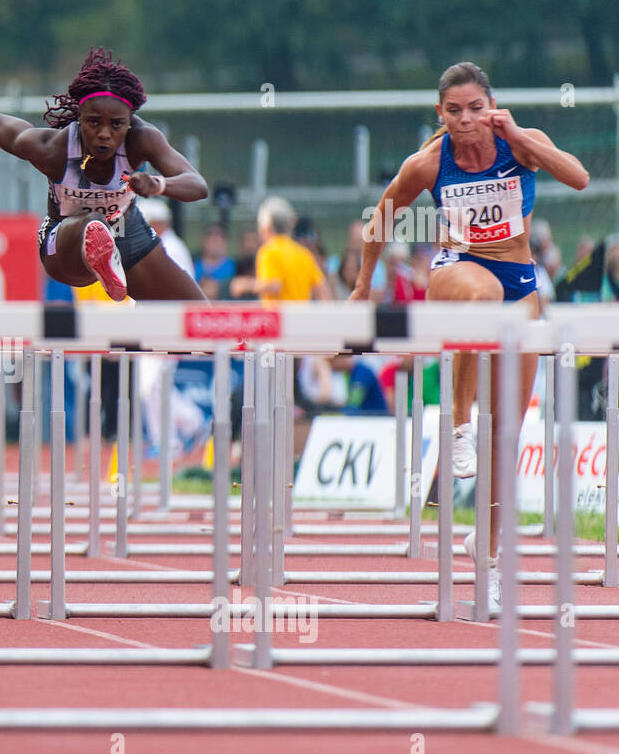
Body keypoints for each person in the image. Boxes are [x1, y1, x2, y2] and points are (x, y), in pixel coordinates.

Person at [351, 61, 589, 605]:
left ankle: (491, 552)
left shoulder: (520, 144)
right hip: (456, 275)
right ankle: (458, 420)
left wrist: (523, 137)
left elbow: (578, 177)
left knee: (507, 430)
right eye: (453, 111)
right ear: (440, 113)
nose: (465, 120)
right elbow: (381, 217)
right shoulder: (429, 163)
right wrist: (363, 287)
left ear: (491, 107)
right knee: (482, 300)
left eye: (475, 109)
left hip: (521, 282)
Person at [0, 47, 208, 302]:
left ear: (130, 122)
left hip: (128, 233)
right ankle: (99, 255)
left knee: (205, 323)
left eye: (116, 125)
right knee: (94, 225)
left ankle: (111, 261)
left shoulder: (143, 139)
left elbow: (197, 185)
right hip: (64, 242)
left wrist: (158, 184)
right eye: (93, 122)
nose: (104, 135)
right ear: (79, 118)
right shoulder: (53, 149)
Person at [251, 196, 329, 303]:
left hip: (278, 317)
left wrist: (246, 285)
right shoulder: (303, 254)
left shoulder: (268, 252)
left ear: (266, 227)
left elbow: (274, 285)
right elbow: (322, 289)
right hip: (301, 316)